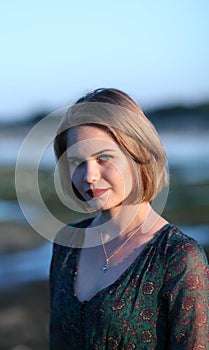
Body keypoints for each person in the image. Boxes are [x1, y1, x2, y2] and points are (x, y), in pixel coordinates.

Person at [49, 88, 209, 349]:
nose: (89, 175)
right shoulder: (67, 245)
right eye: (78, 161)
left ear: (139, 154)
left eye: (103, 158)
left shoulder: (178, 257)